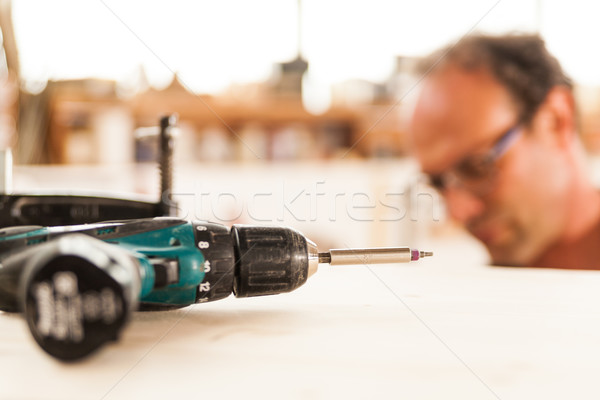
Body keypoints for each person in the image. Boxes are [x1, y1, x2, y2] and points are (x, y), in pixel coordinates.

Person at [409, 33, 600, 269]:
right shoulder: (486, 295)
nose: (457, 213)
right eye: (437, 182)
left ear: (555, 121)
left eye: (476, 166)